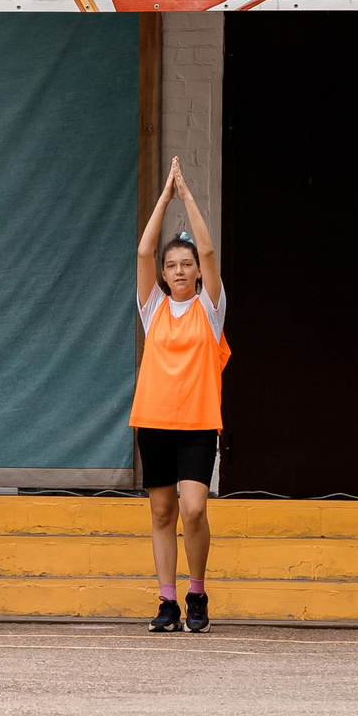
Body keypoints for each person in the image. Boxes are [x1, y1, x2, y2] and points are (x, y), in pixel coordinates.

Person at [132, 157, 227, 634]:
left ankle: (197, 592)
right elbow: (143, 252)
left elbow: (208, 251)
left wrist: (187, 196)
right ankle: (167, 600)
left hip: (197, 422)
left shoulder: (210, 309)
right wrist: (163, 198)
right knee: (162, 511)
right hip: (153, 421)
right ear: (164, 275)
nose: (180, 270)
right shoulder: (153, 308)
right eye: (172, 266)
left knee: (193, 508)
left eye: (186, 265)